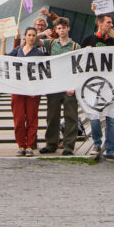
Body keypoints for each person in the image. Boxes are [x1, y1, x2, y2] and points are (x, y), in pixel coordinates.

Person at [82, 14, 114, 162]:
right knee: (94, 117)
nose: (111, 25)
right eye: (109, 22)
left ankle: (110, 149)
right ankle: (97, 143)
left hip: (110, 86)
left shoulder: (113, 42)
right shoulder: (88, 40)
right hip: (93, 85)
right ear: (100, 24)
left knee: (111, 119)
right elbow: (80, 64)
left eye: (111, 23)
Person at [39, 17, 79, 156]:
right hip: (54, 86)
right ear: (56, 30)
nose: (61, 30)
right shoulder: (51, 43)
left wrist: (74, 86)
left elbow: (78, 68)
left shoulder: (75, 46)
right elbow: (32, 40)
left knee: (71, 117)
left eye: (63, 28)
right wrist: (43, 33)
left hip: (69, 87)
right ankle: (51, 144)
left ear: (68, 28)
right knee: (52, 117)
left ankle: (69, 146)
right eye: (59, 28)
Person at [4, 27, 47, 156]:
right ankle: (21, 145)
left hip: (32, 90)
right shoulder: (18, 50)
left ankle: (30, 146)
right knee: (18, 119)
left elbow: (42, 73)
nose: (31, 37)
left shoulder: (39, 53)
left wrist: (37, 88)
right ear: (25, 36)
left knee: (32, 118)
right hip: (18, 89)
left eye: (34, 35)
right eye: (29, 35)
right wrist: (3, 42)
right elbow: (3, 59)